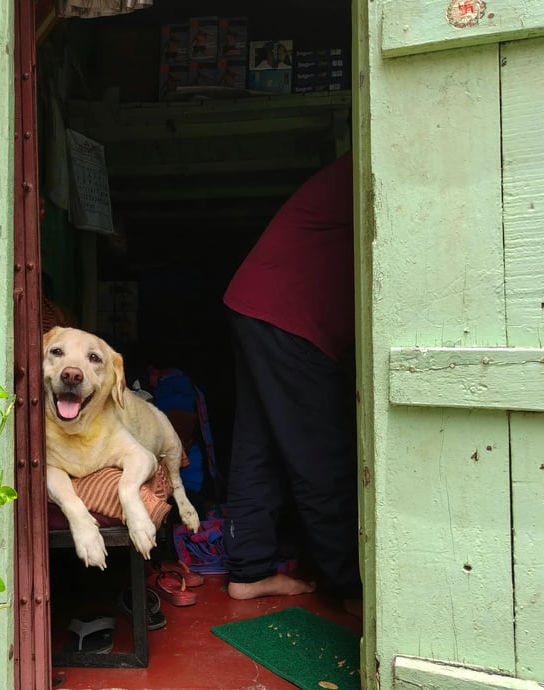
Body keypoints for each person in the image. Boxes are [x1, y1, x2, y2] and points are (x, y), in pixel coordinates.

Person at [222, 150, 361, 614]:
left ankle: (250, 570)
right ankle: (352, 587)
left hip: (258, 304)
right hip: (288, 316)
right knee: (323, 452)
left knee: (257, 445)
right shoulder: (385, 153)